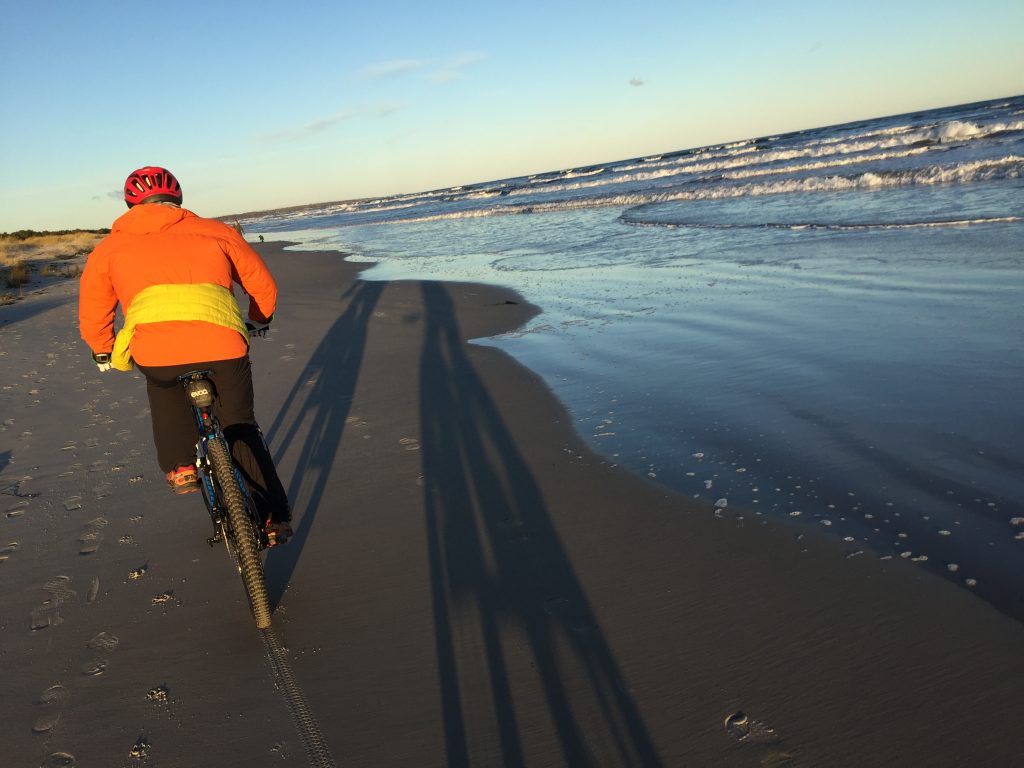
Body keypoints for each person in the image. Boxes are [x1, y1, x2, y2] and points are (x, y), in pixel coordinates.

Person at [78, 166, 293, 545]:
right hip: (222, 343)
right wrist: (259, 319)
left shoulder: (109, 248)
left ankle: (180, 467)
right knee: (240, 425)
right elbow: (262, 285)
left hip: (157, 351)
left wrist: (101, 348)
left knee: (163, 389)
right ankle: (274, 518)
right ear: (177, 199)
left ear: (131, 204)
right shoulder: (217, 231)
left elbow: (95, 306)